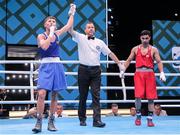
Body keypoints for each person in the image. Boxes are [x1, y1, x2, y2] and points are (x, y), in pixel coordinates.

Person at [69, 21, 123, 128]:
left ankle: (97, 120)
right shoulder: (80, 37)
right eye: (88, 27)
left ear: (95, 29)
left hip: (96, 71)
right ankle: (82, 119)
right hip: (83, 70)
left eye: (92, 27)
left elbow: (110, 53)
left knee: (96, 96)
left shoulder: (100, 42)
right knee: (83, 96)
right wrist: (71, 15)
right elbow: (70, 30)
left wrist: (119, 64)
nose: (91, 29)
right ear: (85, 30)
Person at [32, 4, 76, 133]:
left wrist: (72, 13)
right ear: (45, 24)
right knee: (41, 94)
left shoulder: (57, 33)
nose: (52, 22)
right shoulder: (41, 36)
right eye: (49, 21)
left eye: (54, 21)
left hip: (57, 65)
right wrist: (51, 33)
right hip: (45, 65)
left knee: (55, 94)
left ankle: (51, 121)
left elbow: (68, 26)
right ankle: (39, 121)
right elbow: (44, 47)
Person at [119, 30, 166, 127]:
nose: (144, 40)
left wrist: (162, 72)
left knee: (151, 98)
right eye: (143, 38)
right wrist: (123, 70)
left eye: (146, 38)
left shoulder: (154, 49)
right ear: (140, 38)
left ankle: (150, 119)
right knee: (137, 96)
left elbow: (159, 61)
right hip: (139, 73)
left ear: (149, 38)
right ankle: (138, 117)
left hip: (150, 74)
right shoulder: (135, 49)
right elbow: (128, 60)